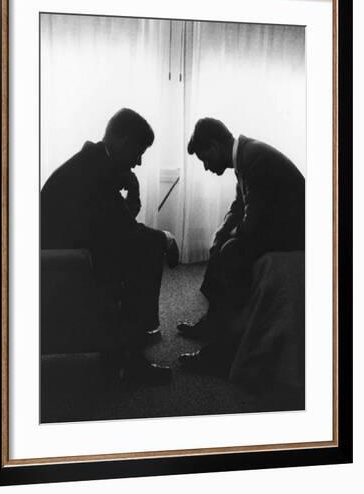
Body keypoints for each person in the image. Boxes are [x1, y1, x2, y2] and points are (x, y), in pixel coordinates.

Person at [41, 108, 179, 383]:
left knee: (143, 245)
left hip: (71, 250)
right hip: (66, 262)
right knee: (149, 249)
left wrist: (132, 193)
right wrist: (167, 238)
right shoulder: (96, 173)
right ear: (122, 141)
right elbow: (125, 231)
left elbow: (115, 224)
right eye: (138, 152)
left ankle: (125, 346)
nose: (138, 162)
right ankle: (131, 357)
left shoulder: (93, 162)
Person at [177, 118, 305, 374]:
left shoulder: (255, 160)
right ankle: (213, 322)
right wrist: (222, 232)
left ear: (214, 147)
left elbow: (253, 222)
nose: (205, 167)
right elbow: (240, 206)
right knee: (222, 243)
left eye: (204, 159)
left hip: (295, 233)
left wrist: (230, 238)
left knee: (232, 253)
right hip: (277, 225)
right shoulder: (246, 156)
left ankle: (220, 354)